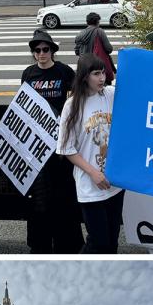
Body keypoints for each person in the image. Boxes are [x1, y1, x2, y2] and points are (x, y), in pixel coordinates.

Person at [21, 29, 83, 254]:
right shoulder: (28, 74)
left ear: (52, 51)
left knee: (63, 194)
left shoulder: (64, 71)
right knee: (39, 197)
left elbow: (76, 101)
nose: (41, 53)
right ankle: (40, 244)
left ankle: (67, 244)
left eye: (45, 49)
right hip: (37, 146)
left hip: (60, 145)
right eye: (37, 50)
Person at [58, 53, 124, 253]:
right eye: (96, 74)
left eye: (103, 72)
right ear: (84, 76)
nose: (102, 78)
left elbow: (137, 89)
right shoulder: (72, 105)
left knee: (112, 242)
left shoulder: (110, 94)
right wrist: (93, 173)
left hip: (114, 183)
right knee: (98, 241)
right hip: (90, 184)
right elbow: (66, 149)